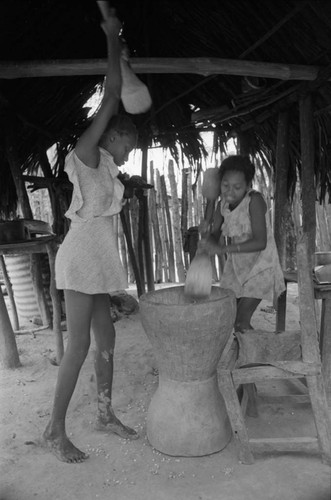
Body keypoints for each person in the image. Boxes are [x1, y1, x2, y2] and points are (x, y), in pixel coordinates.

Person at [43, 11, 139, 464]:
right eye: (128, 146)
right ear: (114, 135)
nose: (127, 153)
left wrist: (120, 57)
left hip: (98, 259)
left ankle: (104, 414)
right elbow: (112, 97)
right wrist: (112, 39)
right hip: (81, 257)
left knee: (107, 340)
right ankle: (54, 429)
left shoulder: (108, 169)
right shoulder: (86, 154)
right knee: (79, 344)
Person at [199, 155, 285, 332]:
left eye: (237, 187)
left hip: (261, 267)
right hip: (238, 267)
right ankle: (245, 355)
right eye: (225, 185)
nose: (230, 191)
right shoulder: (222, 205)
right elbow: (214, 236)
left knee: (240, 322)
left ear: (247, 185)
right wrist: (207, 232)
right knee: (232, 319)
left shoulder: (254, 201)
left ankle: (251, 357)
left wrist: (222, 248)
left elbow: (260, 242)